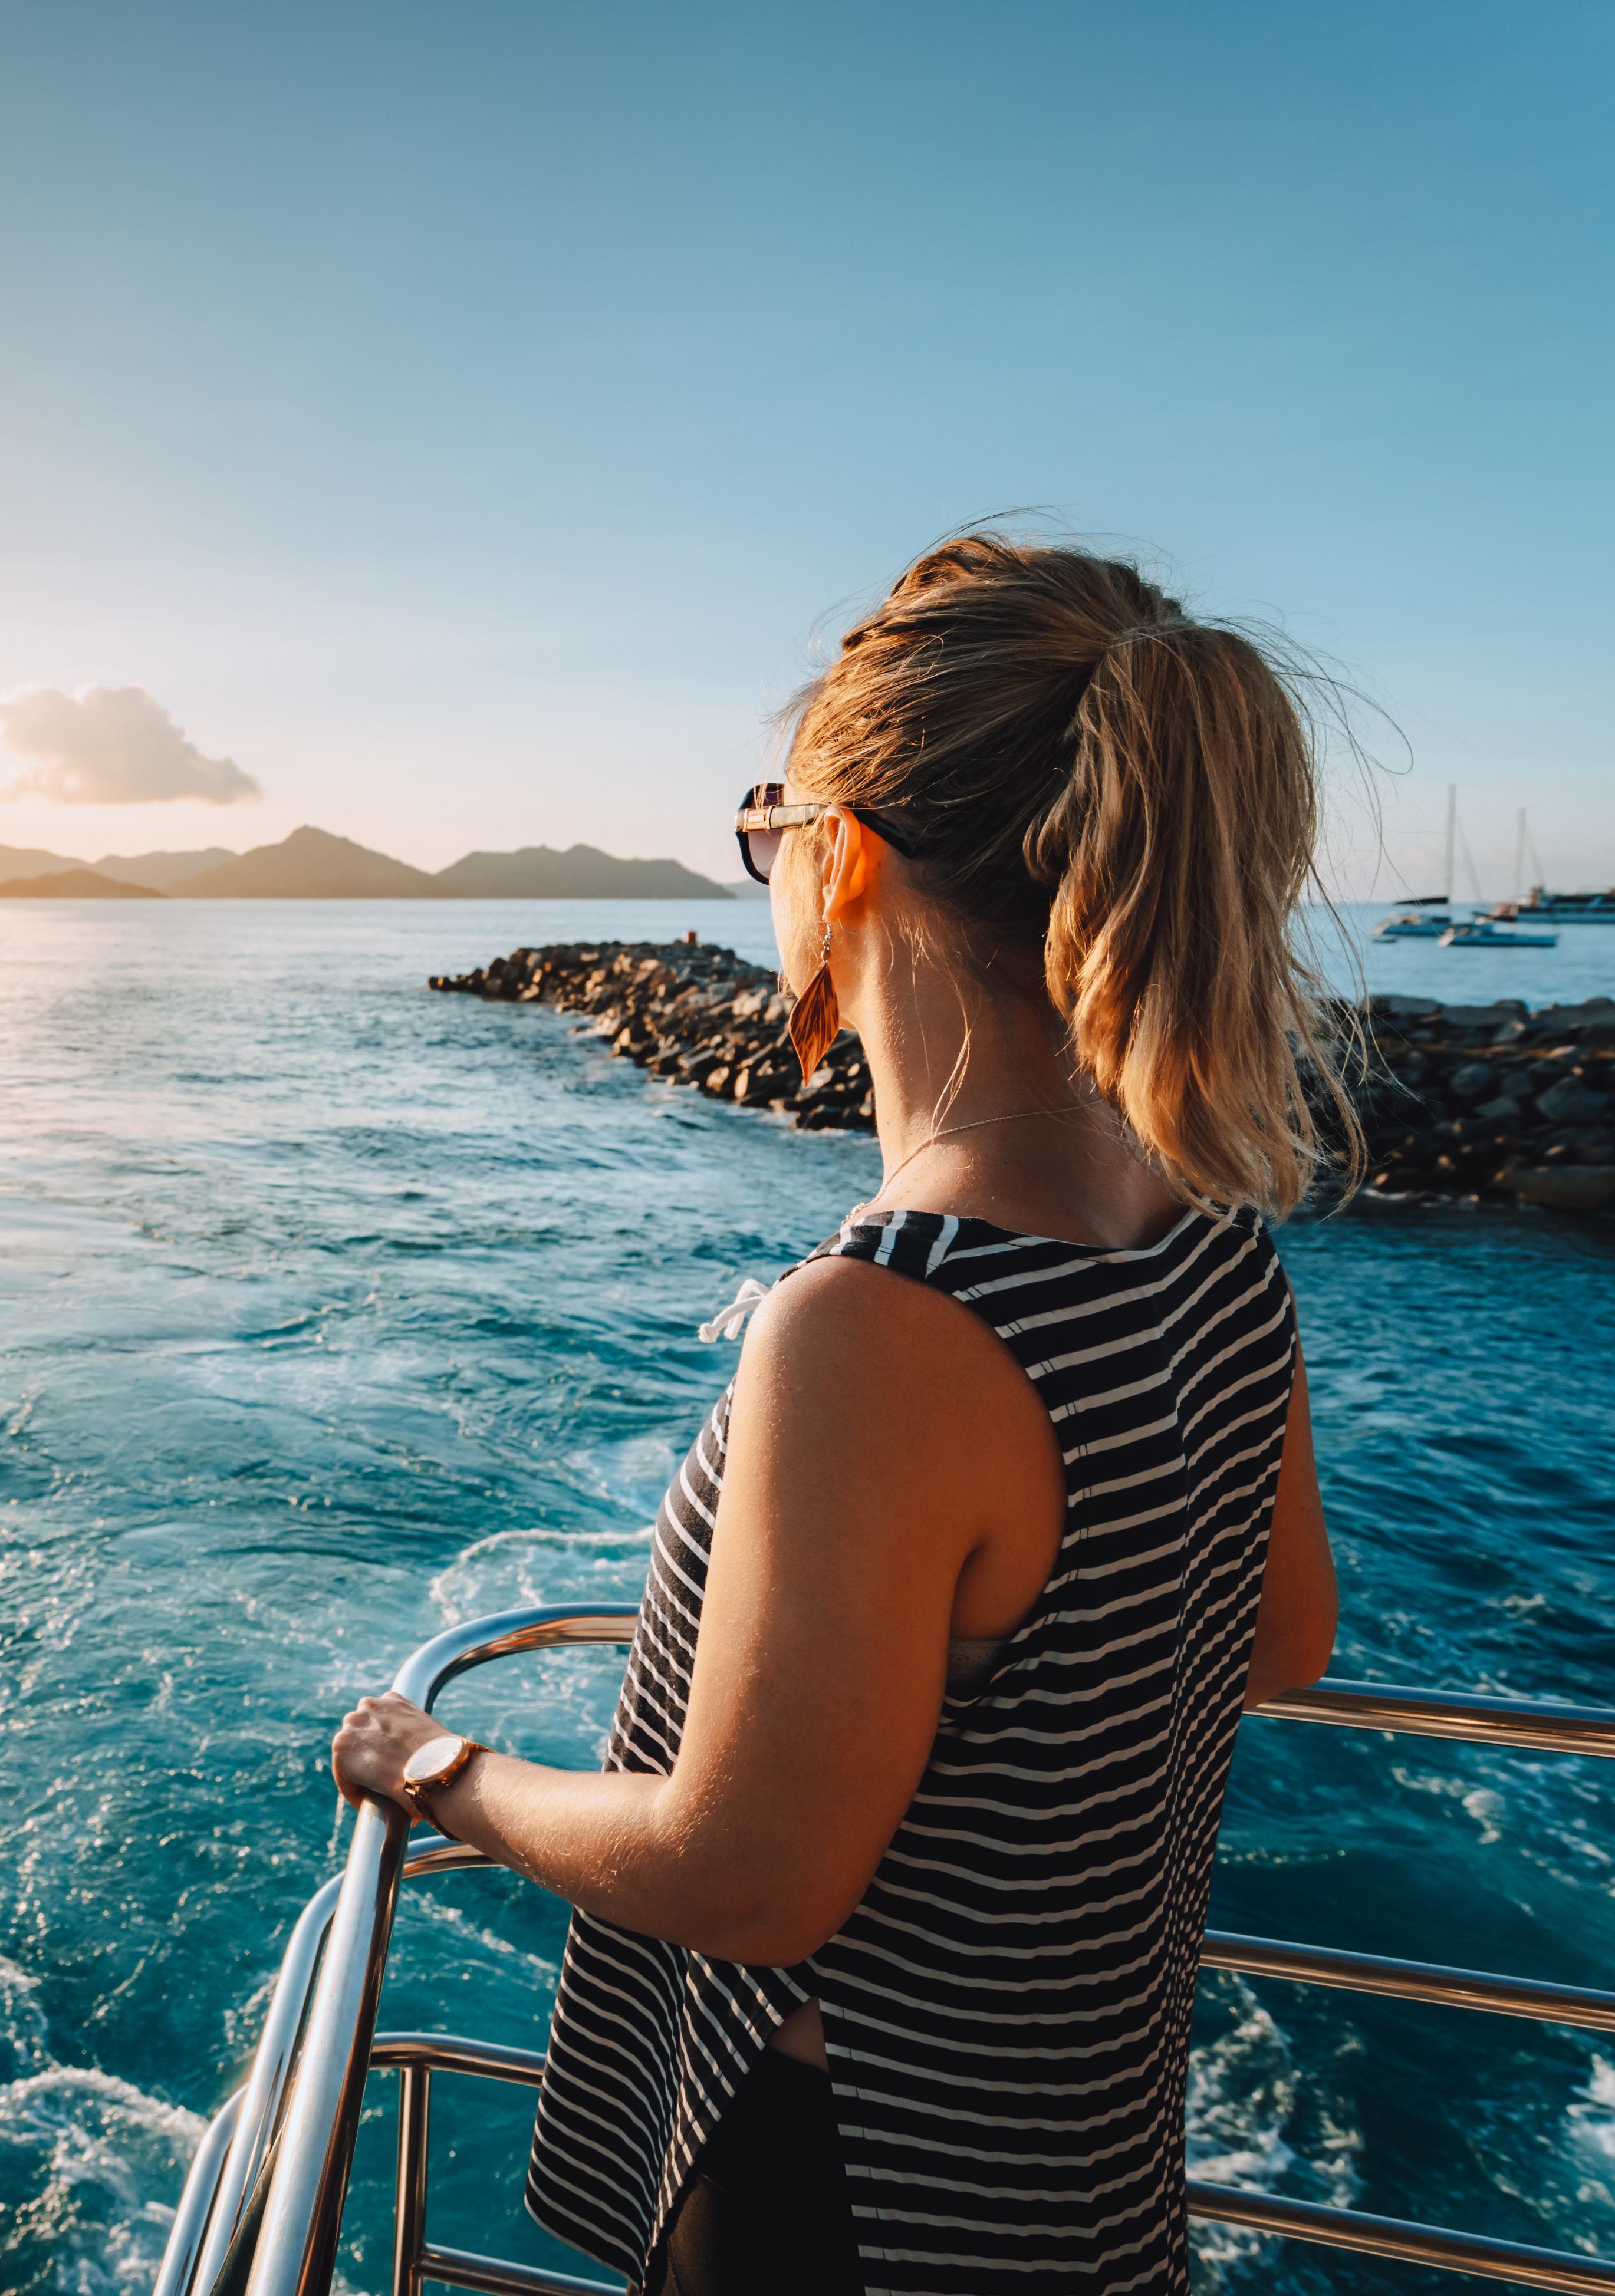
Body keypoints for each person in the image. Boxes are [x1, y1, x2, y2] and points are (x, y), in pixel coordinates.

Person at [331, 535, 1349, 2295]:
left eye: (770, 830)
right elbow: (1282, 1639)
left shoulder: (888, 1320)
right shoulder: (1215, 1241)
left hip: (855, 2202)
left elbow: (751, 1879)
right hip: (1083, 2175)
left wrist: (438, 1771)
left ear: (848, 855)